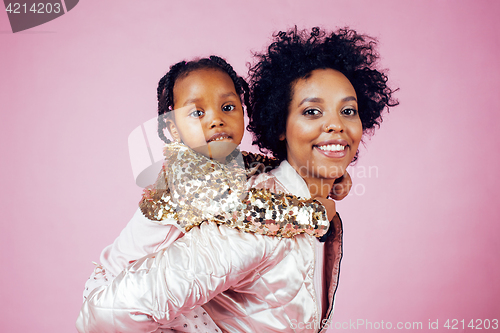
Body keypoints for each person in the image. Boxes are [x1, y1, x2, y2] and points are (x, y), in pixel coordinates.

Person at [77, 55, 351, 333]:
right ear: (173, 129)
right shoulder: (187, 172)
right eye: (197, 113)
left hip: (154, 287)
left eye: (228, 107)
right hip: (114, 285)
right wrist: (314, 215)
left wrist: (328, 175)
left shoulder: (221, 159)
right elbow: (247, 209)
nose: (217, 120)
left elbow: (255, 165)